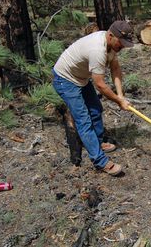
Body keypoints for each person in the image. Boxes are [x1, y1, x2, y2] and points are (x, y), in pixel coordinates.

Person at [52, 20, 134, 176]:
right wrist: (118, 101)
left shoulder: (112, 44)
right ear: (111, 35)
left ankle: (97, 141)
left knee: (96, 108)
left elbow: (115, 68)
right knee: (83, 120)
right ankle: (100, 161)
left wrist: (120, 95)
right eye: (121, 43)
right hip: (65, 80)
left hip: (80, 77)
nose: (122, 47)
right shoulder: (97, 50)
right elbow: (100, 85)